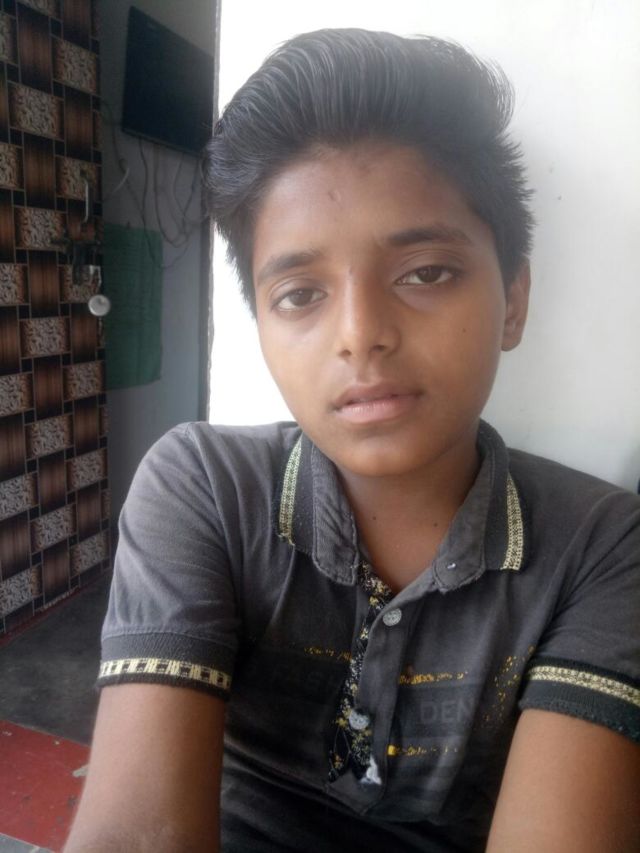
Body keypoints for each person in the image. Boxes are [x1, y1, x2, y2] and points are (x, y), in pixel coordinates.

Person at [65, 29, 640, 853]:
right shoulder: (206, 488)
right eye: (301, 293)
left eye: (426, 272)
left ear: (512, 300)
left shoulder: (601, 545)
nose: (360, 333)